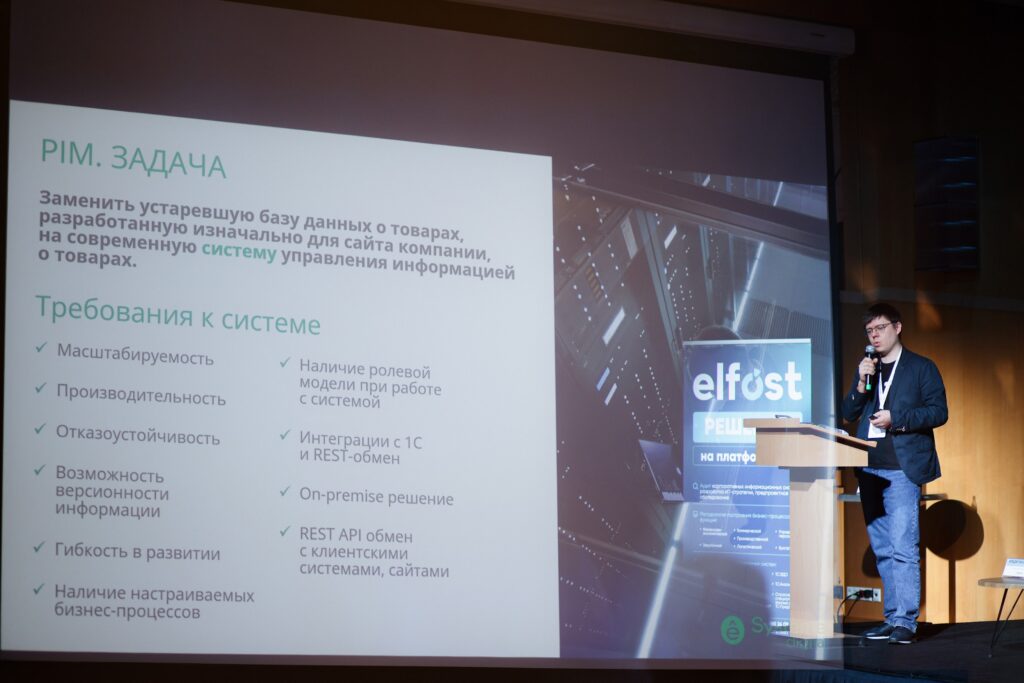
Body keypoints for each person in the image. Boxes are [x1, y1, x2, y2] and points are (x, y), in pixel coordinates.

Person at [841, 303, 948, 645]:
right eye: (869, 331)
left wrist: (896, 419)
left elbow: (938, 412)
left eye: (880, 328)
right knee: (883, 548)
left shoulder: (921, 367)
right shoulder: (869, 369)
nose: (874, 335)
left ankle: (905, 621)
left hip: (902, 468)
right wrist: (861, 381)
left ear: (897, 327)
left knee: (903, 546)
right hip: (869, 468)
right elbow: (848, 412)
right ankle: (891, 618)